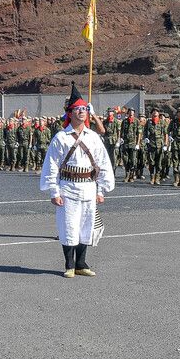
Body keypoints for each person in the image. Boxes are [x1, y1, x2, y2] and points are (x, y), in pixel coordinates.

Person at [40, 85, 115, 277]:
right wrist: (54, 192)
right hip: (68, 186)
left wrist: (101, 190)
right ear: (70, 113)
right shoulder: (61, 137)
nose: (82, 112)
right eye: (78, 109)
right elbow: (52, 165)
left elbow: (102, 163)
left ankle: (82, 263)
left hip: (89, 187)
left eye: (85, 109)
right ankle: (69, 265)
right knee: (69, 225)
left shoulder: (93, 137)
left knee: (86, 225)